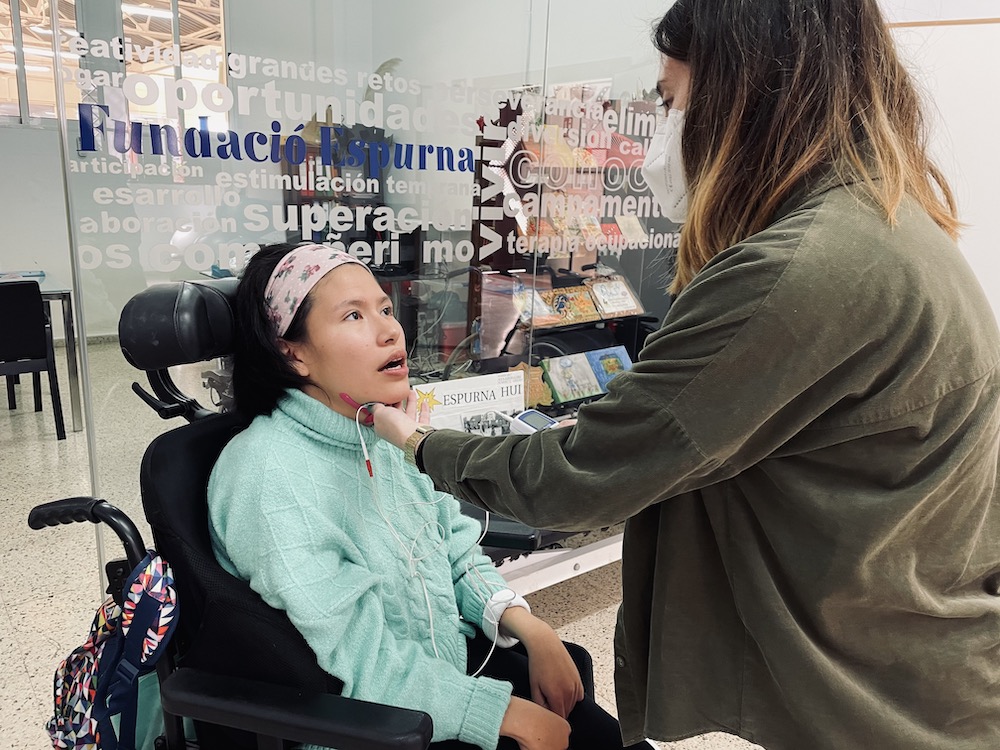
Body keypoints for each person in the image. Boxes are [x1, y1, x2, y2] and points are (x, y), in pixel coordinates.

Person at [372, 2, 1000, 749]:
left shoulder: (800, 273)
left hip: (885, 696)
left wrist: (422, 444)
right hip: (914, 649)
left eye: (670, 102)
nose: (659, 140)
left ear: (743, 97)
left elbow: (581, 475)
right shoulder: (883, 227)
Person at [207, 242, 650, 750]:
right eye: (353, 315)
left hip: (443, 680)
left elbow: (454, 550)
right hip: (371, 724)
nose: (390, 330)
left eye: (385, 308)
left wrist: (530, 627)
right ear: (294, 353)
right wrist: (502, 714)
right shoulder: (268, 475)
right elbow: (364, 659)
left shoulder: (381, 433)